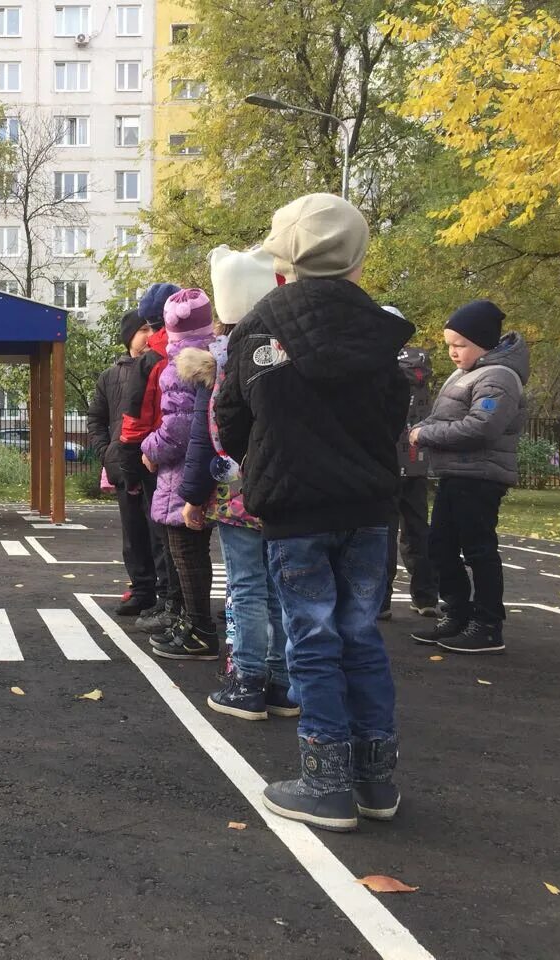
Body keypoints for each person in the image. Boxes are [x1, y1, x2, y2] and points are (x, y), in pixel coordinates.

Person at [216, 193, 413, 831]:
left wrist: (271, 461)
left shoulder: (256, 329)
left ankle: (325, 784)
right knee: (360, 637)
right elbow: (391, 420)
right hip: (368, 506)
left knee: (312, 640)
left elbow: (231, 419)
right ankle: (374, 781)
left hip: (295, 509)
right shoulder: (382, 333)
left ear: (283, 256)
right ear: (357, 256)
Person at [178, 245, 296, 719]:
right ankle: (283, 682)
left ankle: (246, 679)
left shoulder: (221, 363)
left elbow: (207, 436)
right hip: (286, 491)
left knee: (245, 587)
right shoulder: (289, 354)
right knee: (281, 588)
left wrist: (193, 496)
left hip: (237, 495)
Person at [409, 300, 527, 654]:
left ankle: (488, 624)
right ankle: (458, 613)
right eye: (449, 345)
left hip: (480, 476)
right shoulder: (466, 374)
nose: (452, 352)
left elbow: (482, 427)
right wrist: (421, 427)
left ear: (482, 342)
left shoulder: (499, 377)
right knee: (439, 546)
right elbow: (443, 416)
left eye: (459, 344)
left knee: (478, 549)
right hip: (456, 473)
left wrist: (425, 435)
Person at [141, 288, 220, 661]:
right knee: (197, 551)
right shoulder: (217, 356)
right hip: (213, 468)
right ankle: (195, 622)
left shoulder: (180, 368)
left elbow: (178, 429)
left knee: (185, 551)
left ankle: (198, 627)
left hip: (180, 475)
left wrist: (148, 448)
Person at [109, 282, 184, 634]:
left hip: (157, 460)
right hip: (197, 457)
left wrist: (130, 463)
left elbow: (135, 422)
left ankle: (173, 605)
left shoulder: (152, 359)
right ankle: (182, 604)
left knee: (164, 535)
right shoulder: (204, 349)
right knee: (187, 539)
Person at [88, 309, 165, 616]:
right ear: (128, 337)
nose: (149, 334)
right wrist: (106, 452)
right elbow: (96, 418)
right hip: (123, 464)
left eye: (152, 328)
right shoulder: (110, 376)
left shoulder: (163, 365)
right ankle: (142, 589)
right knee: (133, 533)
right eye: (143, 329)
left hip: (158, 463)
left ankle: (167, 595)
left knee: (160, 532)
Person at [380, 307, 440, 621]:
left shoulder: (379, 364)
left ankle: (381, 600)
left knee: (384, 530)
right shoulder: (420, 366)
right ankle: (426, 595)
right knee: (417, 528)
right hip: (416, 458)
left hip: (386, 458)